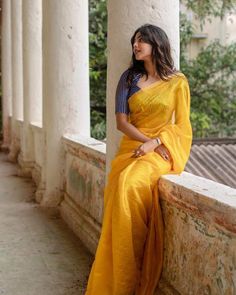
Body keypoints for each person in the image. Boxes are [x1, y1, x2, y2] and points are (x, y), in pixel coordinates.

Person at [85, 24, 192, 295]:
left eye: (142, 39)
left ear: (157, 43)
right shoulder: (129, 78)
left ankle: (132, 272)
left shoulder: (177, 82)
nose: (136, 44)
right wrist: (146, 143)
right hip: (132, 148)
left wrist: (156, 143)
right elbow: (121, 122)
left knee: (129, 185)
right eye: (135, 40)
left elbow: (182, 127)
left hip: (161, 152)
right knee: (121, 188)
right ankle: (121, 276)